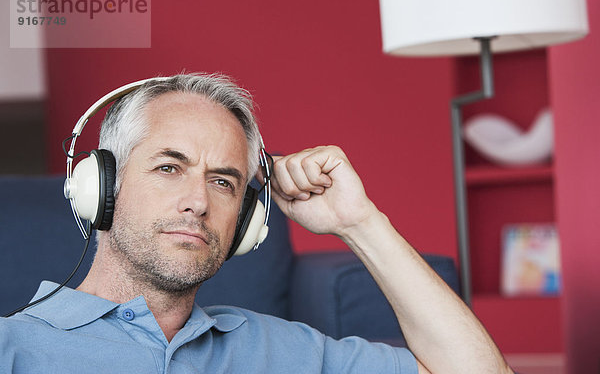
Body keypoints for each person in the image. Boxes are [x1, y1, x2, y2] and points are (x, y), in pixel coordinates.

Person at [0, 73, 512, 374]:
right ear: (101, 186)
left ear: (246, 221)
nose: (197, 202)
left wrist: (360, 223)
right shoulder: (15, 349)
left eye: (223, 182)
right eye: (169, 167)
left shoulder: (277, 349)